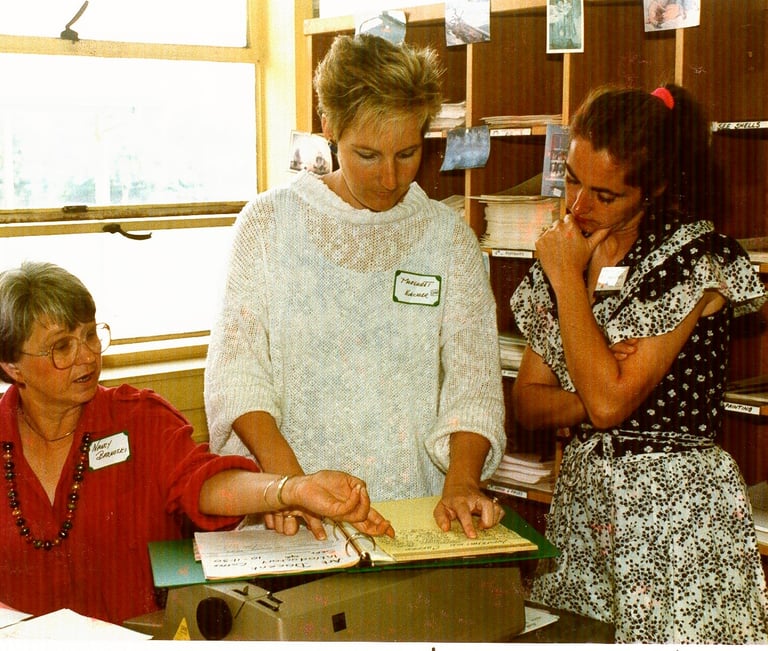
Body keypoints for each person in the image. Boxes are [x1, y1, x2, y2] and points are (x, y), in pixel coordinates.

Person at [204, 33, 506, 541]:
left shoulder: (447, 237)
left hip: (414, 515)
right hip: (297, 518)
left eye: (407, 153)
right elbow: (237, 377)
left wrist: (461, 481)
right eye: (367, 154)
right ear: (330, 127)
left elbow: (473, 380)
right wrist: (293, 486)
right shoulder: (268, 224)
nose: (390, 178)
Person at [510, 83, 768, 643]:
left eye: (605, 195)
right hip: (585, 506)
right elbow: (529, 402)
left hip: (673, 517)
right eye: (573, 180)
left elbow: (607, 406)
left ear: (653, 190)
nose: (578, 207)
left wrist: (568, 288)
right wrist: (592, 389)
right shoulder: (568, 249)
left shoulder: (695, 259)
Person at [0, 261, 392, 625]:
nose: (86, 355)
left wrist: (292, 488)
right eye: (62, 347)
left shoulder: (140, 419)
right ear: (12, 366)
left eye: (89, 335)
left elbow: (203, 481)